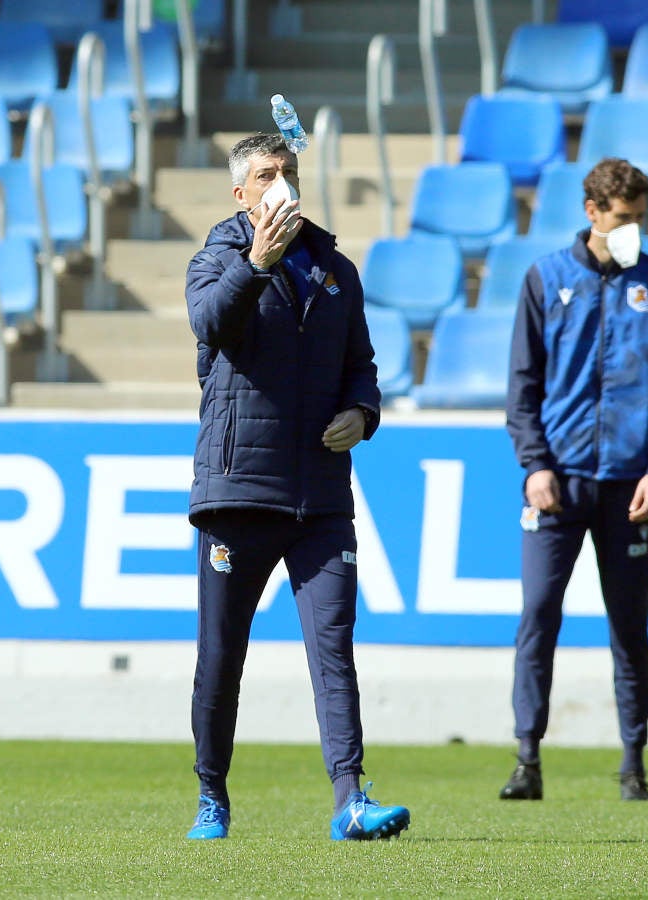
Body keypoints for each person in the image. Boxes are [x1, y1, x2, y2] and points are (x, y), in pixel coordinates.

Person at [181, 132, 410, 841]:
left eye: (288, 170)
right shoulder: (215, 259)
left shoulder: (337, 268)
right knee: (222, 653)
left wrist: (362, 412)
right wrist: (258, 263)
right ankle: (212, 794)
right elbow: (212, 324)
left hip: (320, 495)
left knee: (333, 647)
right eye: (264, 174)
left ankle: (350, 799)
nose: (279, 181)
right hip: (239, 493)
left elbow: (362, 364)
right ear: (240, 194)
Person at [501, 157, 648, 802]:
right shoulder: (545, 278)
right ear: (593, 213)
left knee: (629, 624)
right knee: (538, 615)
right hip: (557, 482)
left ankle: (633, 762)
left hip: (628, 486)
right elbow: (522, 387)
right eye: (624, 218)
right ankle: (527, 758)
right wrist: (535, 465)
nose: (634, 229)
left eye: (641, 218)